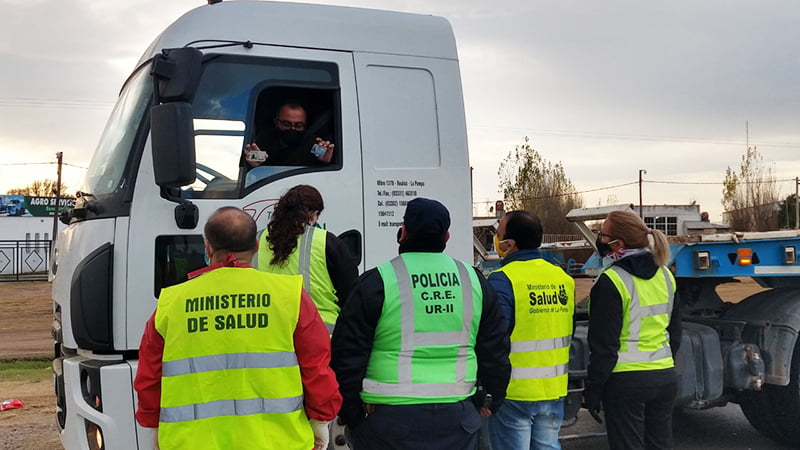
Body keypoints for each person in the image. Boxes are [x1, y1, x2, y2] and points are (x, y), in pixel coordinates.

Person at [134, 206, 342, 450]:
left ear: (208, 247)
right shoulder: (290, 296)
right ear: (256, 245)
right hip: (280, 442)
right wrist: (320, 421)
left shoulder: (170, 303)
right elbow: (316, 367)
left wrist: (154, 427)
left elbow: (149, 377)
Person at [331, 197, 511, 450]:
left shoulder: (377, 281)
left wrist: (351, 414)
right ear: (446, 237)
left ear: (403, 233)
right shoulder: (474, 281)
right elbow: (496, 347)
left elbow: (346, 354)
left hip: (388, 419)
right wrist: (491, 398)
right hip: (457, 417)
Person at [583, 210, 682, 450]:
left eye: (603, 235)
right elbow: (676, 332)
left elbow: (604, 345)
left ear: (618, 243)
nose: (600, 239)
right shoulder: (665, 276)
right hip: (664, 376)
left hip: (626, 380)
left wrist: (593, 390)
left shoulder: (612, 281)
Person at [486, 210, 574, 450]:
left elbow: (494, 340)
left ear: (509, 244)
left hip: (515, 393)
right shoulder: (562, 278)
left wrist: (488, 389)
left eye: (498, 232)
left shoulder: (502, 279)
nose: (495, 237)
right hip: (554, 389)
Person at [255, 184, 359, 333]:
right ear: (313, 215)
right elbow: (351, 295)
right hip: (319, 338)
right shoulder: (326, 241)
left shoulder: (255, 240)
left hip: (269, 335)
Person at [244, 102, 334, 167]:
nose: (292, 129)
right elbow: (250, 163)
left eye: (298, 125)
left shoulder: (313, 144)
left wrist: (325, 162)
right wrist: (252, 164)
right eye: (286, 124)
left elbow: (323, 160)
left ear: (305, 126)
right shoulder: (265, 139)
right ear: (276, 122)